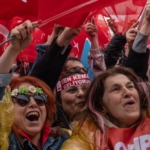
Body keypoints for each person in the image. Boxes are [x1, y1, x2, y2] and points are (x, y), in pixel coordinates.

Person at [0, 20, 69, 150]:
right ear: (8, 110)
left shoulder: (65, 139)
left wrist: (65, 36)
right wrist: (13, 50)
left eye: (40, 99)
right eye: (22, 99)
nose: (33, 103)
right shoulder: (6, 143)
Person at [61, 66, 150, 150]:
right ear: (101, 105)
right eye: (116, 89)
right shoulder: (86, 137)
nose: (127, 92)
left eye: (130, 86)